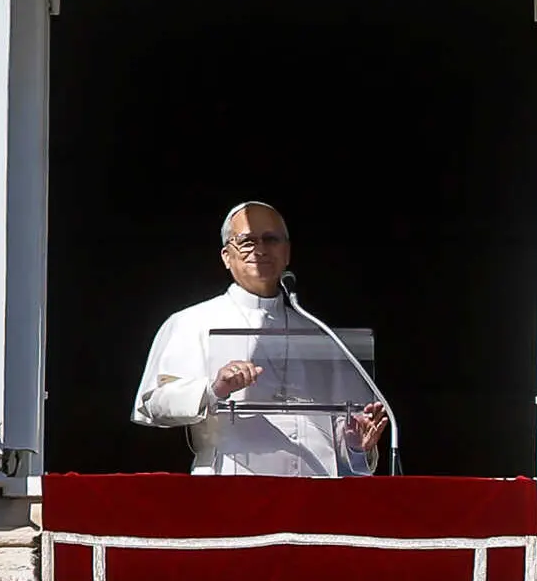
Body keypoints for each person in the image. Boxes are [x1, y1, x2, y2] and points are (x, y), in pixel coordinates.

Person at [131, 201, 389, 476]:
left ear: (287, 252)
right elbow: (154, 403)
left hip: (314, 500)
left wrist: (354, 446)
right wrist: (212, 389)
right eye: (246, 241)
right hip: (233, 494)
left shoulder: (320, 334)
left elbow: (346, 440)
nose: (261, 249)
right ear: (226, 256)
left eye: (271, 239)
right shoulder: (191, 322)